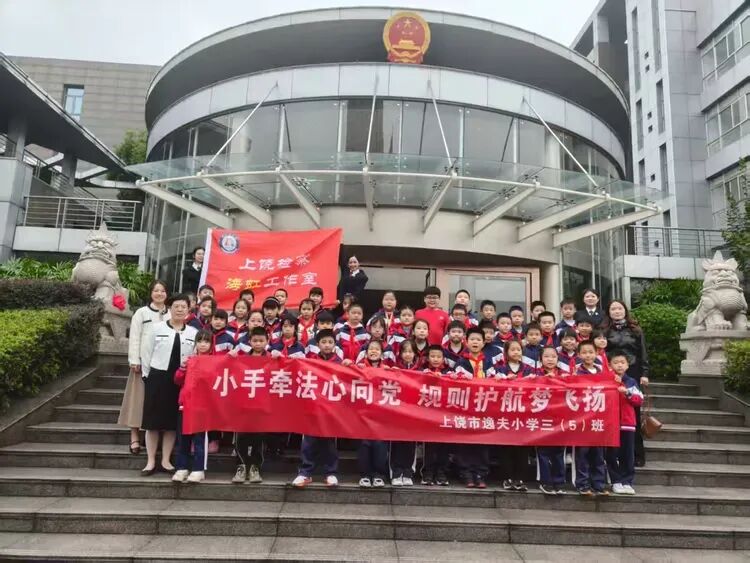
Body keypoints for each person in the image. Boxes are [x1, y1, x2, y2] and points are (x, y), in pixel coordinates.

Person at [140, 294, 198, 476]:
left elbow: (196, 356)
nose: (180, 310)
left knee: (172, 423)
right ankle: (150, 461)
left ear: (188, 310)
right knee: (152, 422)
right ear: (170, 308)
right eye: (176, 306)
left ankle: (166, 460)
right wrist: (147, 375)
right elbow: (146, 352)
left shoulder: (193, 333)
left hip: (180, 381)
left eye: (183, 307)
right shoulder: (156, 328)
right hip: (157, 378)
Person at [119, 279, 169, 455]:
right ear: (151, 293)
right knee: (137, 402)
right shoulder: (141, 313)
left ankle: (155, 439)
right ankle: (134, 437)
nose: (159, 294)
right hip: (142, 364)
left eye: (162, 291)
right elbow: (135, 337)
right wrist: (134, 359)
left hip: (162, 366)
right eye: (156, 290)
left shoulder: (171, 313)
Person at [604, 299, 650, 467]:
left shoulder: (635, 330)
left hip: (632, 371)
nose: (617, 311)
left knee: (633, 413)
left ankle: (637, 454)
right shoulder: (605, 330)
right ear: (609, 312)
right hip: (611, 373)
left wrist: (644, 373)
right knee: (612, 413)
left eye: (619, 308)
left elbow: (643, 351)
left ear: (625, 310)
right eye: (613, 309)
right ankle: (613, 453)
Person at [292, 329, 340, 488]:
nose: (327, 345)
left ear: (335, 345)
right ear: (318, 344)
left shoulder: (340, 363)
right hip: (312, 408)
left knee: (329, 443)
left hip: (331, 410)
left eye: (330, 342)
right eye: (323, 342)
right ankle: (305, 472)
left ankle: (330, 473)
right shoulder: (310, 361)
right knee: (308, 442)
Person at [172, 329, 212, 483]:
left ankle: (198, 469)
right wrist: (182, 368)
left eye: (206, 341)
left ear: (211, 344)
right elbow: (177, 380)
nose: (203, 344)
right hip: (185, 405)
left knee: (199, 440)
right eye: (200, 341)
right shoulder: (189, 360)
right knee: (183, 439)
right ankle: (182, 467)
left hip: (202, 407)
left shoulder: (213, 361)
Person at [454, 327, 491, 488]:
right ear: (466, 342)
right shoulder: (461, 362)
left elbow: (495, 381)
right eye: (472, 339)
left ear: (483, 343)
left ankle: (480, 473)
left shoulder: (488, 362)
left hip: (484, 408)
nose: (475, 342)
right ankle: (466, 473)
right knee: (465, 441)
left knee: (482, 442)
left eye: (478, 340)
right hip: (466, 408)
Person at [232, 326, 268, 485]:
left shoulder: (272, 358)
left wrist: (280, 357)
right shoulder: (242, 359)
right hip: (244, 406)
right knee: (241, 437)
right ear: (249, 342)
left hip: (262, 407)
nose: (258, 343)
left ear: (267, 341)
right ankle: (241, 466)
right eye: (255, 341)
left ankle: (255, 467)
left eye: (261, 340)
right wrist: (229, 357)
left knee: (258, 439)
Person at [607, 350, 644, 495]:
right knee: (612, 453)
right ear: (610, 365)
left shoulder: (631, 382)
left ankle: (627, 481)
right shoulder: (607, 380)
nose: (619, 365)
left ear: (628, 365)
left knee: (628, 454)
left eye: (622, 362)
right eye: (616, 363)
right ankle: (615, 480)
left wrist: (627, 393)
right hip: (611, 423)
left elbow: (639, 400)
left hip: (628, 423)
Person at [572, 341, 607, 496]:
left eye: (591, 352)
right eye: (584, 352)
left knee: (598, 455)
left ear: (596, 353)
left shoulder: (602, 371)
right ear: (579, 355)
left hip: (598, 419)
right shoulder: (577, 372)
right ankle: (583, 484)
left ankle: (599, 485)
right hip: (582, 420)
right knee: (582, 454)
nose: (588, 355)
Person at [496, 339, 531, 491]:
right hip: (505, 414)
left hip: (523, 414)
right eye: (513, 349)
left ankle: (520, 478)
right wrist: (504, 380)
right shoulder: (500, 368)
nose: (516, 352)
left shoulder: (528, 369)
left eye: (519, 349)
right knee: (506, 447)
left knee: (522, 448)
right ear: (506, 352)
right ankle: (507, 477)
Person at [356, 341, 389, 487]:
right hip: (363, 414)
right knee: (364, 444)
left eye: (377, 349)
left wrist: (394, 373)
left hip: (381, 414)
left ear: (381, 353)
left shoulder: (387, 369)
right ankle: (365, 474)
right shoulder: (358, 368)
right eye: (371, 349)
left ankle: (378, 475)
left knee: (380, 444)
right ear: (366, 352)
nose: (373, 351)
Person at [536, 346, 566, 495]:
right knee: (543, 452)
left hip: (559, 419)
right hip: (542, 419)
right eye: (546, 356)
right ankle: (545, 482)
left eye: (553, 356)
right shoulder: (535, 375)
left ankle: (558, 482)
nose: (550, 359)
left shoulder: (564, 375)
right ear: (540, 359)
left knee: (558, 452)